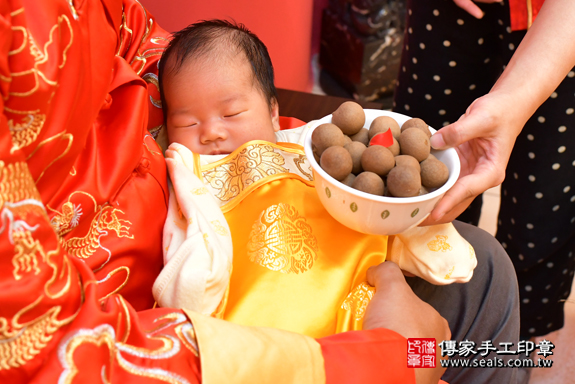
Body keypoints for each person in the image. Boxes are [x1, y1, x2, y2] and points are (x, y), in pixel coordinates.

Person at [153, 20, 518, 384]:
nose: (211, 132)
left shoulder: (311, 151)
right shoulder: (189, 178)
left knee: (488, 265)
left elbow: (375, 203)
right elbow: (185, 254)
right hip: (257, 337)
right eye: (187, 123)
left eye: (231, 114)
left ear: (273, 114)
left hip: (353, 309)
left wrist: (426, 246)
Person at [393, 0, 575, 340]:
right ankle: (418, 324)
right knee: (429, 176)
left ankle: (515, 341)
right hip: (448, 12)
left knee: (542, 210)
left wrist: (512, 101)